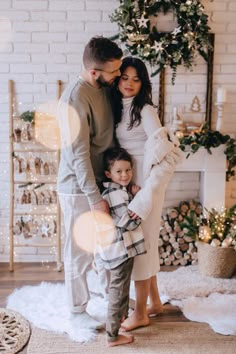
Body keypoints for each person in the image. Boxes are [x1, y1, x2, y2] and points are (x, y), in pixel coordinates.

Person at [111, 56, 183, 331]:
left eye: (136, 78)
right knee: (146, 243)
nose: (129, 83)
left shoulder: (145, 110)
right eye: (125, 77)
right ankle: (154, 302)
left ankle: (140, 312)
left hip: (147, 184)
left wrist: (146, 195)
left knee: (140, 247)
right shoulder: (118, 107)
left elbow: (167, 157)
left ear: (143, 83)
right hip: (131, 181)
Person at [57, 36, 122, 329]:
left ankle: (111, 297)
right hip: (78, 188)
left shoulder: (103, 89)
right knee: (79, 251)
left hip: (99, 182)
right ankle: (77, 309)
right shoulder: (74, 98)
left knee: (104, 247)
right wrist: (95, 197)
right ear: (95, 72)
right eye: (114, 71)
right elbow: (78, 156)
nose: (118, 75)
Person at [97, 146, 146, 346]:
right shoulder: (116, 194)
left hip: (121, 250)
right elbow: (128, 221)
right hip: (120, 250)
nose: (125, 175)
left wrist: (132, 195)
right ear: (109, 174)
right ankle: (112, 335)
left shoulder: (118, 191)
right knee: (118, 291)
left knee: (122, 287)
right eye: (119, 171)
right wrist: (141, 206)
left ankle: (119, 322)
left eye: (128, 170)